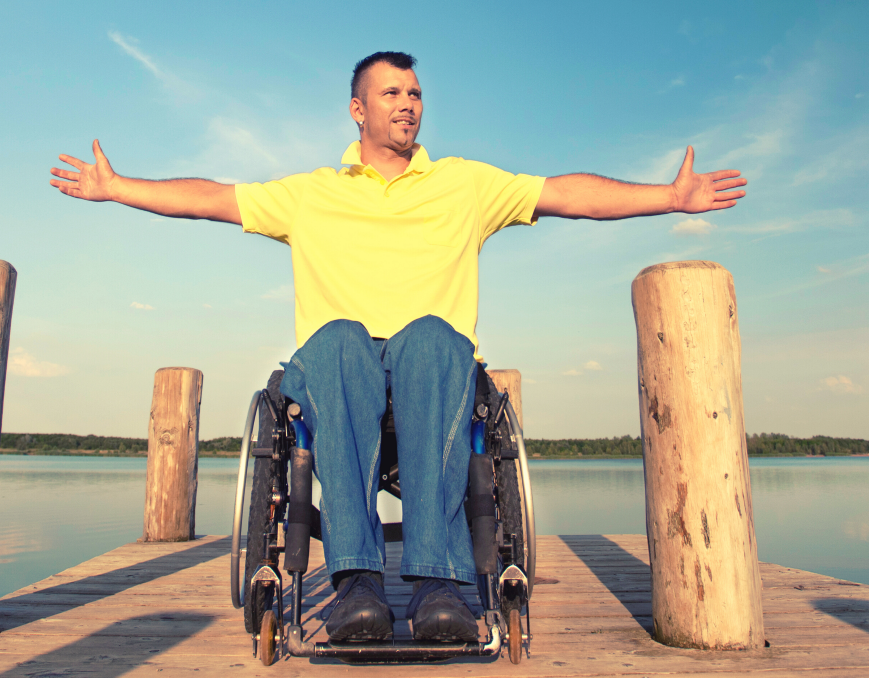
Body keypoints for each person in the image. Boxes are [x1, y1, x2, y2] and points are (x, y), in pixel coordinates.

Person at [50, 51, 747, 644]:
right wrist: (115, 188)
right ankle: (357, 584)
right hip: (338, 369)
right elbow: (210, 196)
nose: (408, 104)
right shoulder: (310, 194)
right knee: (341, 339)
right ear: (357, 109)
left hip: (432, 369)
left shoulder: (466, 185)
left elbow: (568, 193)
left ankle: (438, 586)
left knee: (434, 339)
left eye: (415, 94)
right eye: (392, 93)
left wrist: (670, 197)